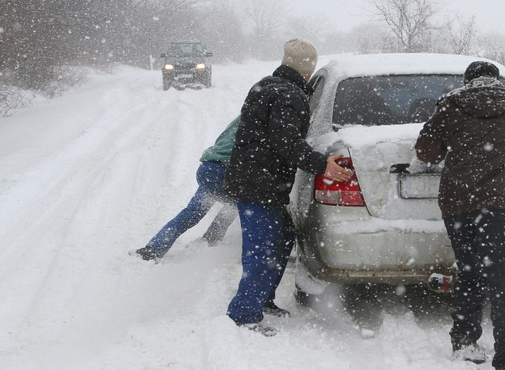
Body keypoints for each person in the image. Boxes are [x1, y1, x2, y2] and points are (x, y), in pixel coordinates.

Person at [223, 38, 350, 337]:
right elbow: (285, 141)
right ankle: (243, 314)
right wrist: (323, 164)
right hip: (259, 186)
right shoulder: (289, 95)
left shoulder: (265, 86)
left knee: (280, 240)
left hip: (256, 182)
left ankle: (262, 299)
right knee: (262, 250)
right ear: (308, 70)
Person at [415, 61, 505, 370]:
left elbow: (426, 151)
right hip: (495, 205)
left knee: (469, 272)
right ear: (495, 81)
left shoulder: (451, 105)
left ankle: (465, 341)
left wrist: (453, 145)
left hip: (457, 203)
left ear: (468, 81)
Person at [132, 115, 242, 262]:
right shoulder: (262, 120)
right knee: (237, 205)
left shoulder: (244, 116)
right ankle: (210, 240)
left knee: (193, 212)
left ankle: (152, 249)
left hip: (209, 167)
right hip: (227, 171)